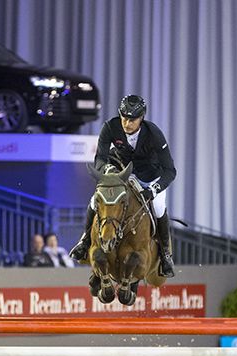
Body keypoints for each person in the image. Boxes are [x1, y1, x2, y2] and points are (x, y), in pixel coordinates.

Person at [69, 95, 177, 277]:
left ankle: (166, 254)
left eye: (132, 120)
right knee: (95, 201)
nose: (127, 123)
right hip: (120, 172)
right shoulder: (110, 127)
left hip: (149, 176)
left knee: (158, 207)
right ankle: (85, 241)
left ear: (141, 118)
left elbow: (170, 171)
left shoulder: (154, 134)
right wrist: (107, 170)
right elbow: (100, 158)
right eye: (124, 118)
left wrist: (154, 189)